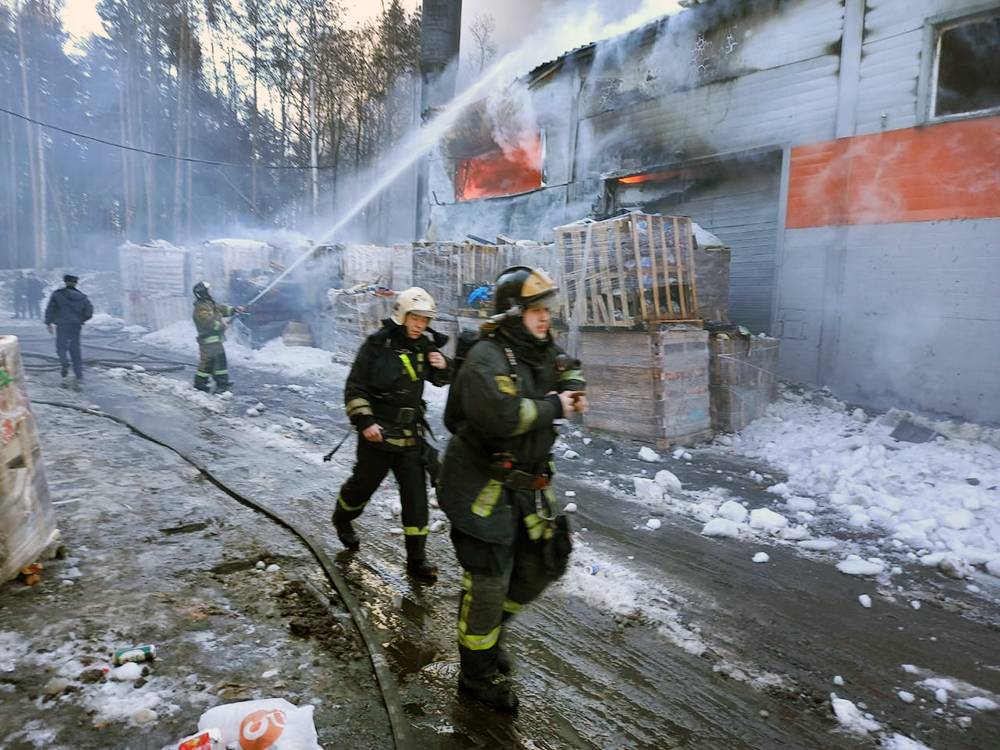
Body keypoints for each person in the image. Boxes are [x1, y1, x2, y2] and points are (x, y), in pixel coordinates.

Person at [437, 266, 587, 711]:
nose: (546, 319)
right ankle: (476, 675)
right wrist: (553, 406)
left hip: (529, 488)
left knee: (544, 563)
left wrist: (574, 389)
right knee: (487, 584)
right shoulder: (487, 356)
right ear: (511, 314)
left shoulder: (540, 352)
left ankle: (488, 637)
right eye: (536, 311)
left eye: (548, 311)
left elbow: (568, 367)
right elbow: (502, 415)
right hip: (480, 490)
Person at [333, 287, 450, 579]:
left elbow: (439, 380)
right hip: (378, 435)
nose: (420, 325)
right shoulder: (377, 344)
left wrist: (444, 365)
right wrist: (366, 422)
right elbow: (355, 387)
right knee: (363, 486)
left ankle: (416, 561)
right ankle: (343, 517)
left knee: (416, 497)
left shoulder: (425, 346)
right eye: (415, 318)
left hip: (410, 436)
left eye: (425, 319)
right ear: (402, 315)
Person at [192, 281, 245, 393]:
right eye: (209, 290)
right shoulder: (200, 308)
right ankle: (200, 383)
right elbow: (207, 323)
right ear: (204, 293)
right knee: (207, 363)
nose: (211, 291)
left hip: (215, 340)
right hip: (207, 341)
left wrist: (235, 309)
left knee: (220, 360)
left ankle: (222, 381)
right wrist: (222, 325)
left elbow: (222, 309)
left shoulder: (210, 304)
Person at [44, 274, 94, 380]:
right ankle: (78, 372)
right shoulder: (82, 297)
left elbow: (50, 309)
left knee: (61, 346)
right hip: (76, 325)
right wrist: (81, 319)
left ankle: (64, 361)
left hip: (62, 324)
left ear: (65, 282)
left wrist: (48, 323)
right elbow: (89, 312)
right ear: (76, 284)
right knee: (75, 348)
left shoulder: (57, 295)